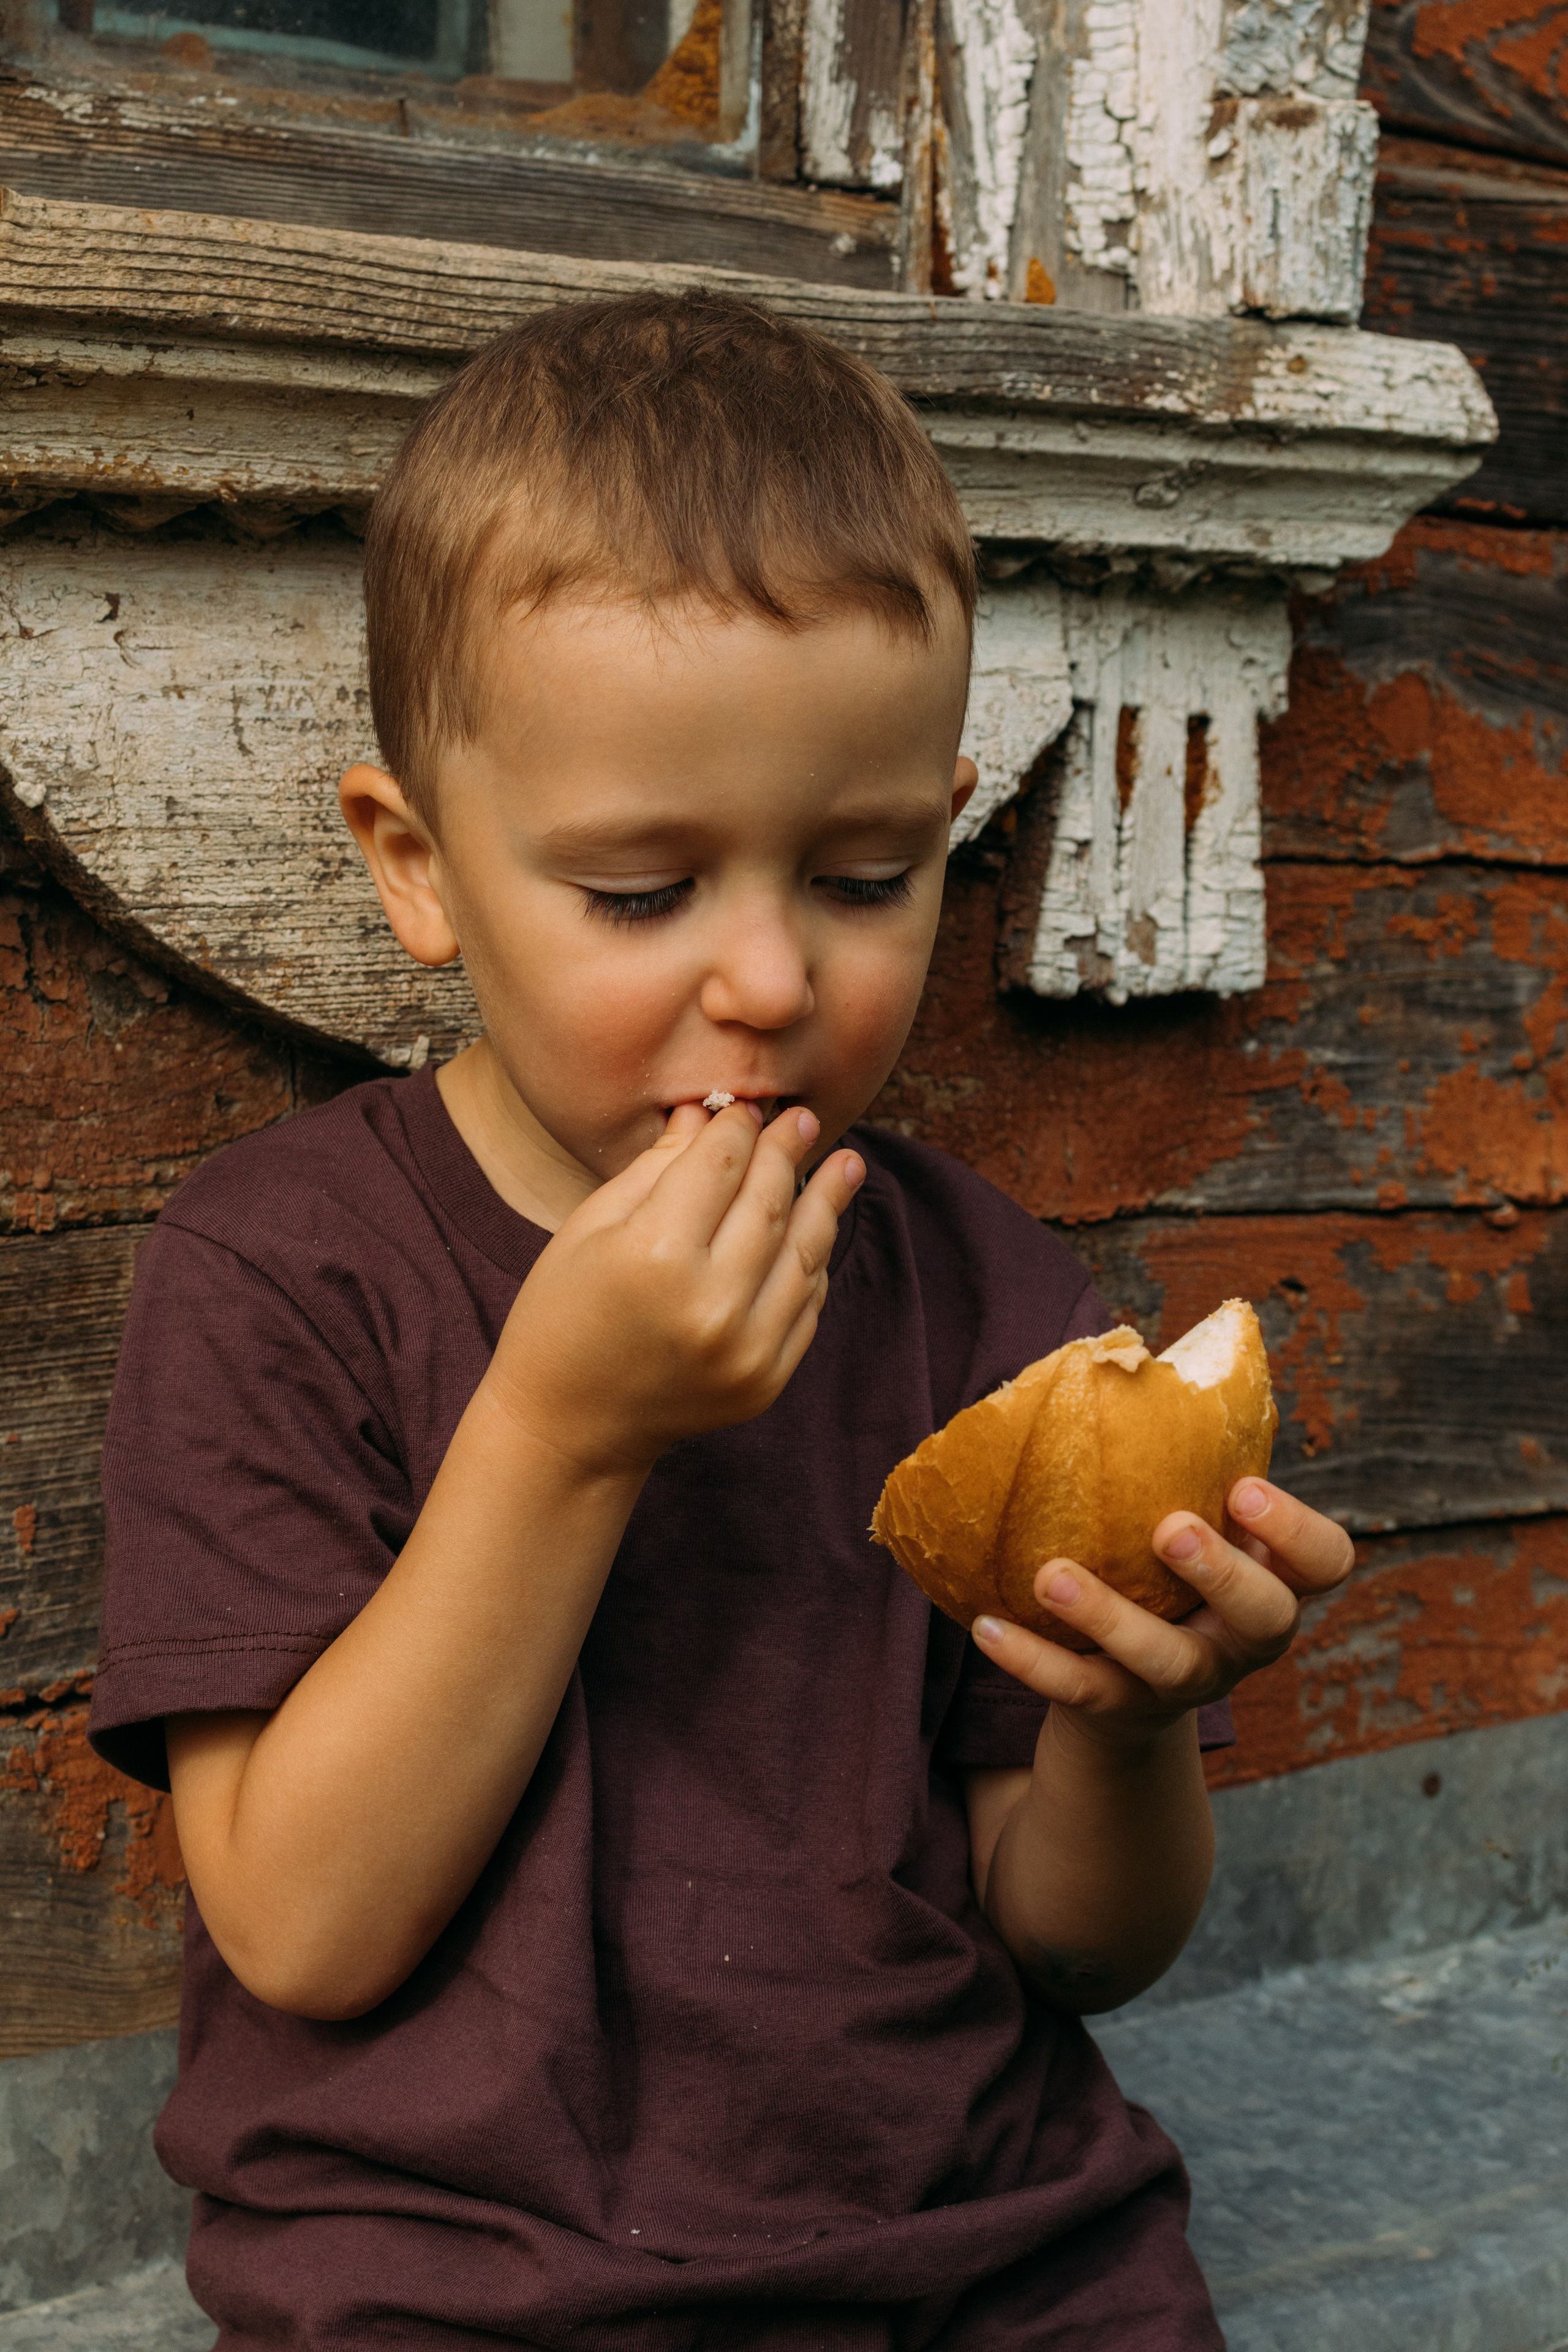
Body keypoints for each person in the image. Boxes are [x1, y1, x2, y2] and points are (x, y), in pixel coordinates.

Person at [88, 290, 1354, 2350]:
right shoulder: (282, 1275)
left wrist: (1126, 1727)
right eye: (642, 891)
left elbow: (1078, 1950)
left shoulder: (990, 1305)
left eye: (861, 876)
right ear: (419, 867)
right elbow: (305, 1929)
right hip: (464, 2274)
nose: (767, 977)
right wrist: (563, 1431)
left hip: (985, 2240)